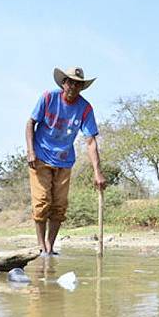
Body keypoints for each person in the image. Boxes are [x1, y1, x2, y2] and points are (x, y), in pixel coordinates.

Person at [25, 66, 106, 256]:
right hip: (41, 156)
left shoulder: (85, 108)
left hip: (65, 161)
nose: (73, 87)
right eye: (70, 82)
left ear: (81, 87)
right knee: (42, 202)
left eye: (78, 84)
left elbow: (90, 140)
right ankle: (41, 247)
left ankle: (50, 246)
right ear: (63, 83)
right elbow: (30, 122)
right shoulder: (48, 98)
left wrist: (97, 172)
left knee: (59, 206)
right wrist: (30, 150)